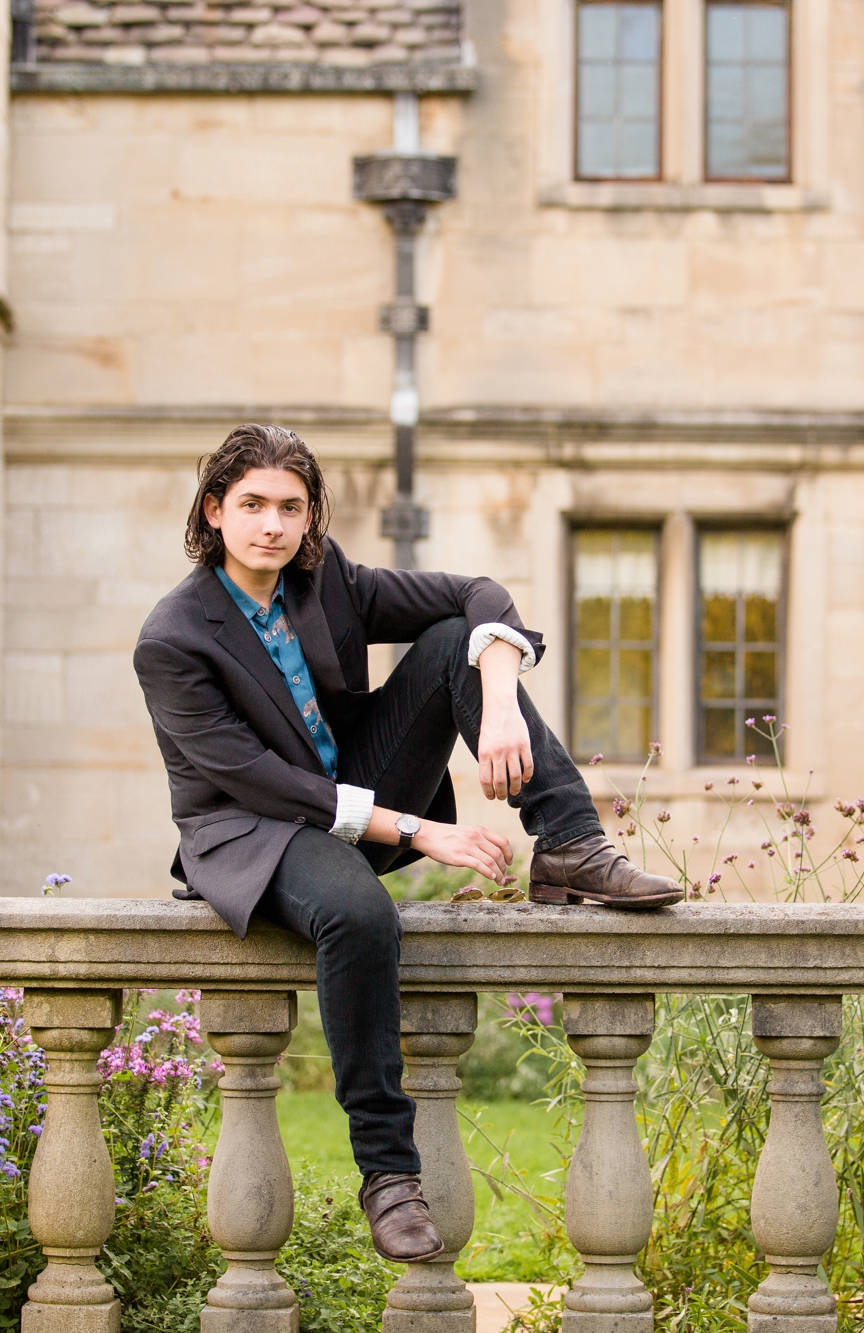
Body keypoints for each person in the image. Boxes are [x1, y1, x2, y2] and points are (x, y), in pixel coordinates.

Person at [133, 423, 683, 1262]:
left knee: (452, 643)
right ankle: (389, 1174)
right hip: (257, 831)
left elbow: (479, 589)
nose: (273, 525)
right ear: (214, 511)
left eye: (291, 506)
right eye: (251, 505)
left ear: (310, 515)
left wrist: (498, 696)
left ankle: (569, 842)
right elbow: (259, 780)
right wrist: (421, 831)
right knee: (360, 914)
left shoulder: (325, 580)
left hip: (355, 785)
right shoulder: (173, 638)